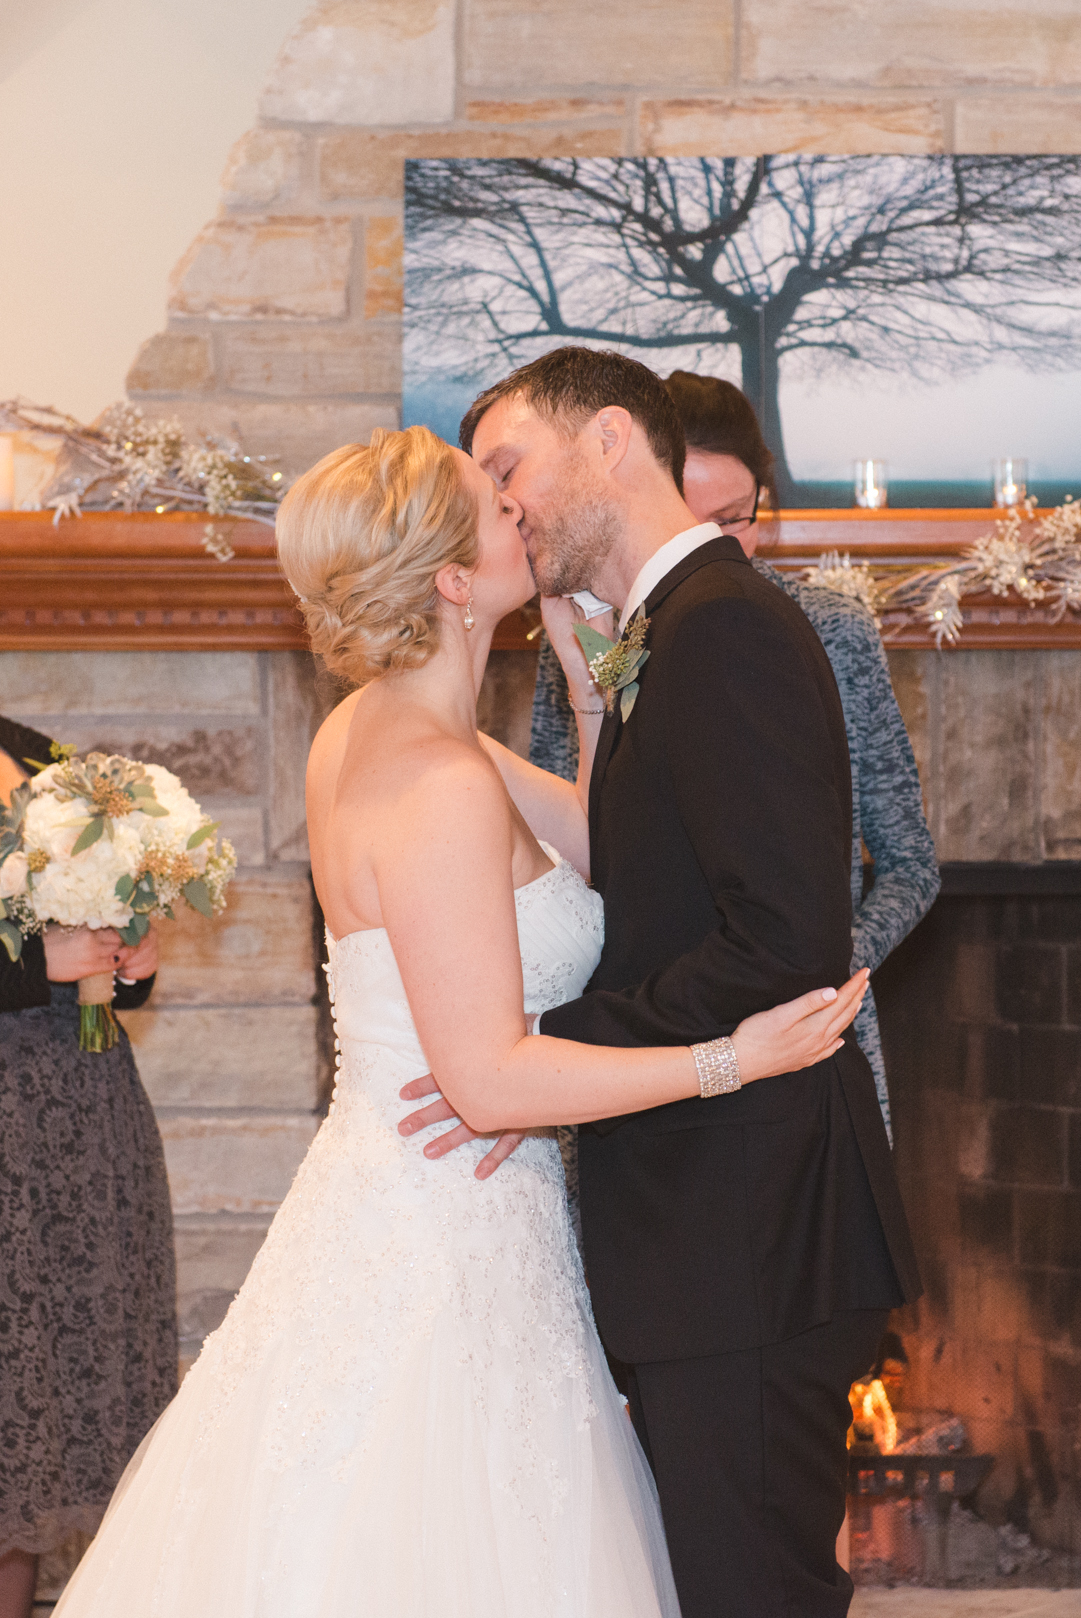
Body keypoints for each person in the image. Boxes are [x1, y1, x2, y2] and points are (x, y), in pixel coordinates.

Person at [50, 425, 867, 1618]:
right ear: (447, 575)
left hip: (451, 1210)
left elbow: (599, 853)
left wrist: (591, 697)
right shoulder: (430, 783)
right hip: (443, 1237)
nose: (516, 513)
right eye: (490, 506)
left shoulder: (397, 736)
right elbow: (487, 1085)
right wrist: (727, 1058)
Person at [402, 348, 923, 1617]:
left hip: (748, 1237)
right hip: (713, 1230)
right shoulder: (666, 635)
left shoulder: (725, 630)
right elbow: (652, 883)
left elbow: (778, 947)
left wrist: (538, 1059)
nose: (505, 503)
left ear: (613, 443)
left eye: (513, 467)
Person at [531, 370, 941, 1145]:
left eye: (737, 518)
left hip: (804, 1041)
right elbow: (569, 853)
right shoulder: (589, 641)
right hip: (643, 1054)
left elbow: (909, 862)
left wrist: (814, 969)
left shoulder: (827, 626)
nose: (716, 544)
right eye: (692, 517)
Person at [0, 716, 175, 1618]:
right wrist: (36, 967)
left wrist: (128, 955)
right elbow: (35, 954)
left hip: (80, 1131)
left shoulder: (38, 756)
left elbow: (97, 917)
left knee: (50, 1435)